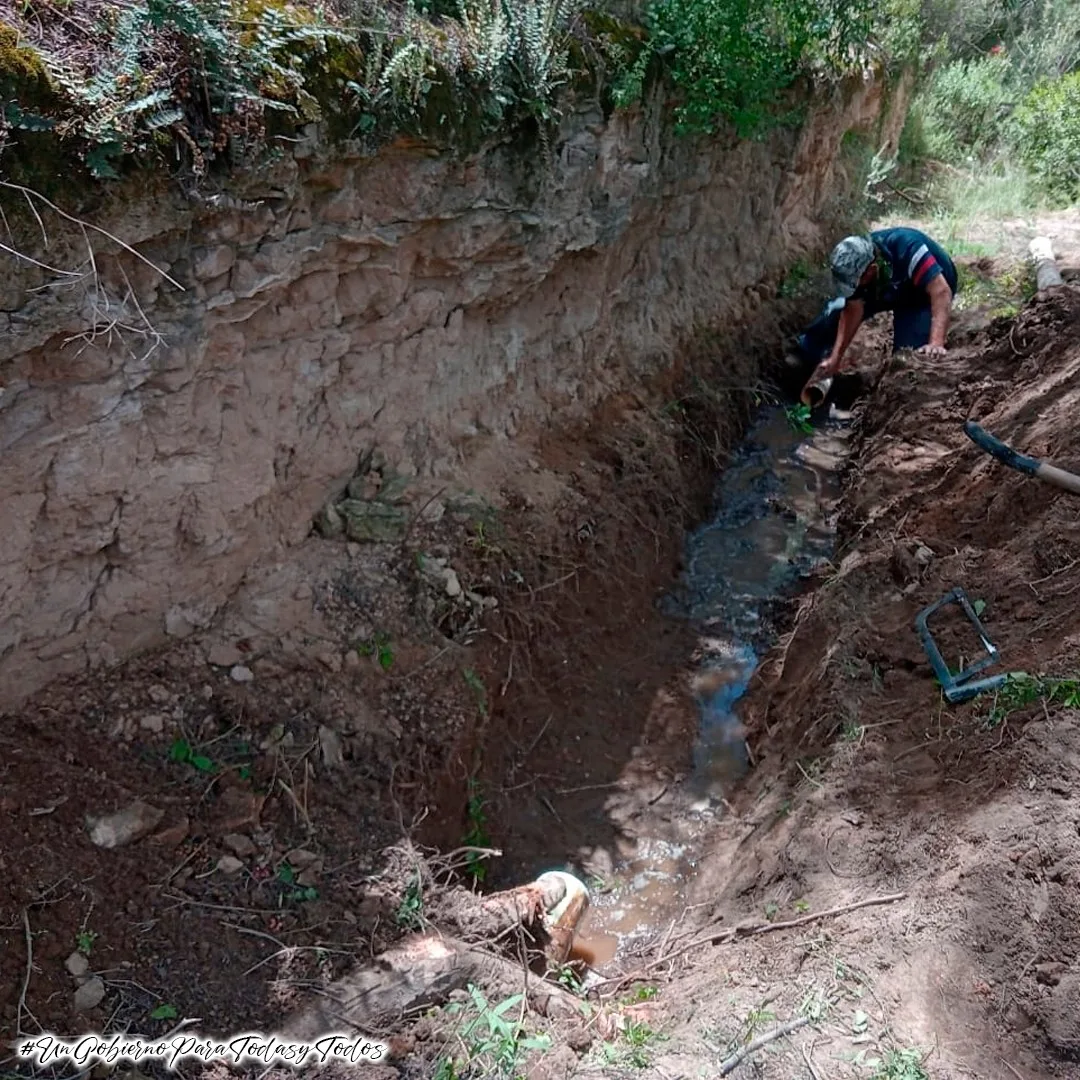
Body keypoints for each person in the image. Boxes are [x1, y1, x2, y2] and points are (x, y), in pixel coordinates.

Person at [791, 227, 959, 394]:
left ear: (870, 271)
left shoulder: (907, 248)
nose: (853, 288)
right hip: (886, 288)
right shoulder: (853, 265)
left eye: (855, 284)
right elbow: (852, 310)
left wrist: (936, 342)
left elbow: (941, 291)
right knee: (834, 310)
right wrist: (836, 358)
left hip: (924, 294)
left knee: (907, 359)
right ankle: (803, 360)